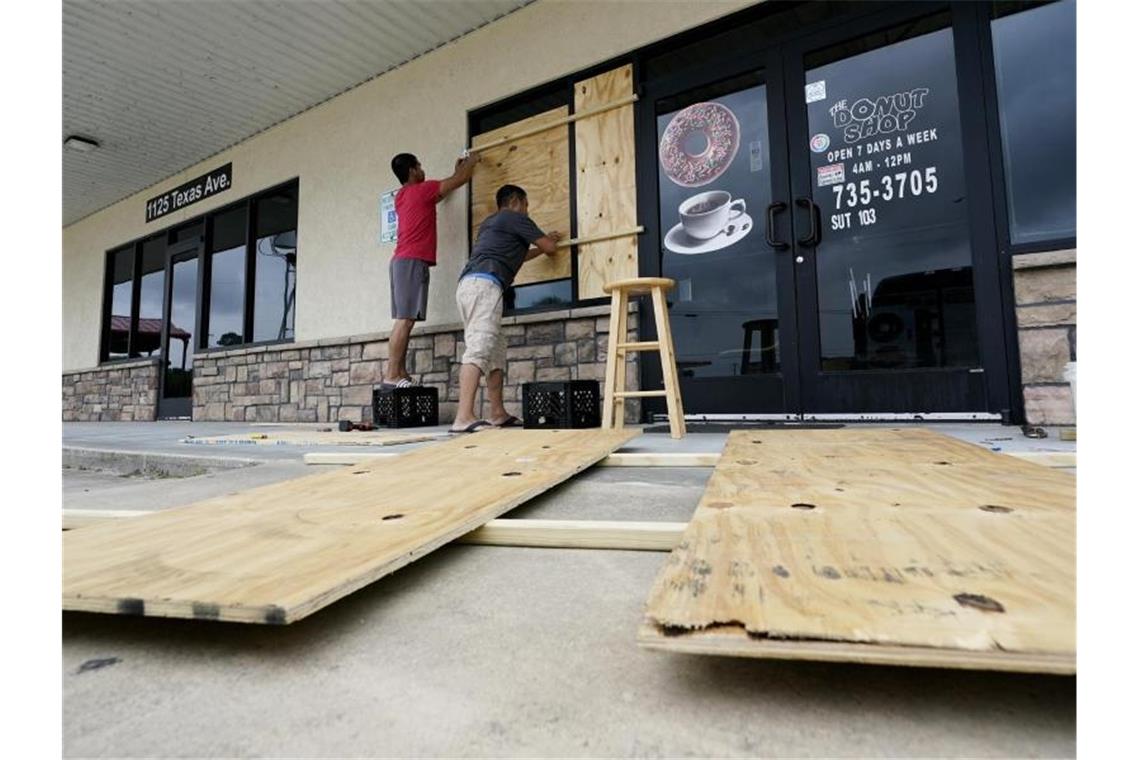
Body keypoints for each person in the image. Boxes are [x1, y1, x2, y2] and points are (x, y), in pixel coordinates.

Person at [450, 184, 562, 433]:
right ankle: (463, 417)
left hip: (472, 286)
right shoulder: (515, 218)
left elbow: (517, 256)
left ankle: (497, 413)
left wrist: (537, 249)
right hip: (485, 286)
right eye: (526, 204)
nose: (527, 209)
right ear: (516, 201)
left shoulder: (492, 223)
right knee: (479, 348)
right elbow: (550, 249)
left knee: (494, 351)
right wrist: (550, 241)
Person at [383, 151, 478, 388]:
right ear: (413, 170)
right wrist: (472, 161)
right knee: (404, 321)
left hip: (402, 263)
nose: (423, 169)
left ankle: (400, 373)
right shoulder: (422, 190)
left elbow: (442, 192)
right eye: (420, 165)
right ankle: (392, 375)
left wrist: (457, 172)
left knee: (405, 320)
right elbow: (461, 180)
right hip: (411, 262)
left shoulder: (403, 196)